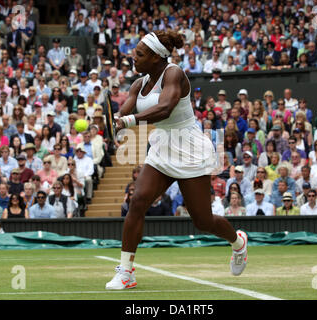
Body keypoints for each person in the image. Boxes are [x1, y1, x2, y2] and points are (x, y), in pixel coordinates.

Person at [106, 30, 248, 290]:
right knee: (137, 201)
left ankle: (238, 241)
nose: (133, 57)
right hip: (162, 148)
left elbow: (164, 109)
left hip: (190, 148)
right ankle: (126, 272)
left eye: (139, 53)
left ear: (157, 57)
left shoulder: (174, 73)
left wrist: (128, 121)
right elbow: (125, 111)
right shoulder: (139, 83)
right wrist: (116, 122)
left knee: (202, 221)